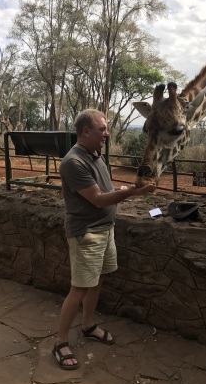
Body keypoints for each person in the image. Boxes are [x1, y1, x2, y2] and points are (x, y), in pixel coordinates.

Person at [52, 108, 155, 370]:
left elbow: (103, 190)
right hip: (87, 234)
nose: (107, 134)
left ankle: (87, 325)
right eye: (103, 129)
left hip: (104, 229)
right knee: (80, 287)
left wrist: (119, 190)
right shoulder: (73, 162)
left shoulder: (95, 156)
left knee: (97, 280)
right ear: (85, 131)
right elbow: (97, 200)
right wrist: (132, 193)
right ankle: (60, 342)